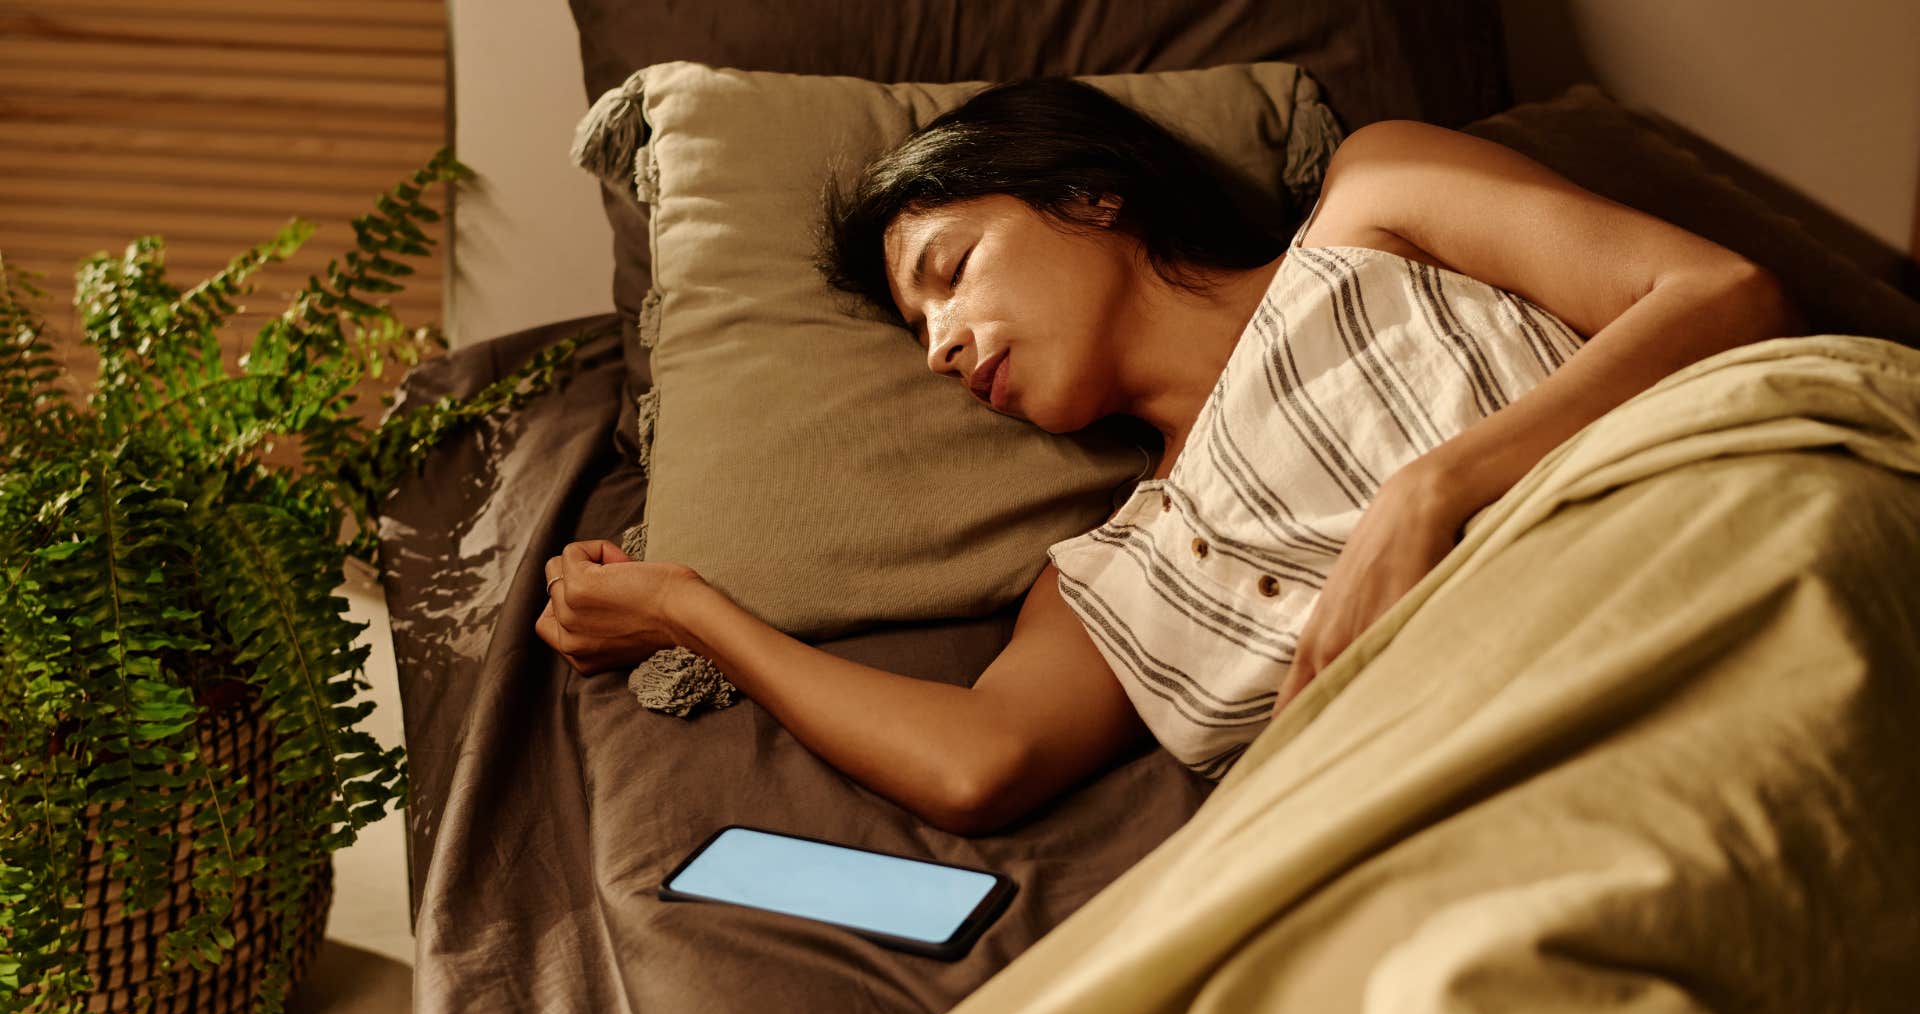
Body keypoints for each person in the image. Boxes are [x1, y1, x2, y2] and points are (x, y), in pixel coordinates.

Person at [535, 78, 1803, 831]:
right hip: (1527, 796)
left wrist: (1435, 493)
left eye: (950, 273)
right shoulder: (1115, 568)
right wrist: (690, 610)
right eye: (919, 326)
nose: (937, 345)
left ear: (1091, 195)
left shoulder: (1377, 205)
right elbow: (978, 764)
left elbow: (1723, 295)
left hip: (1726, 576)